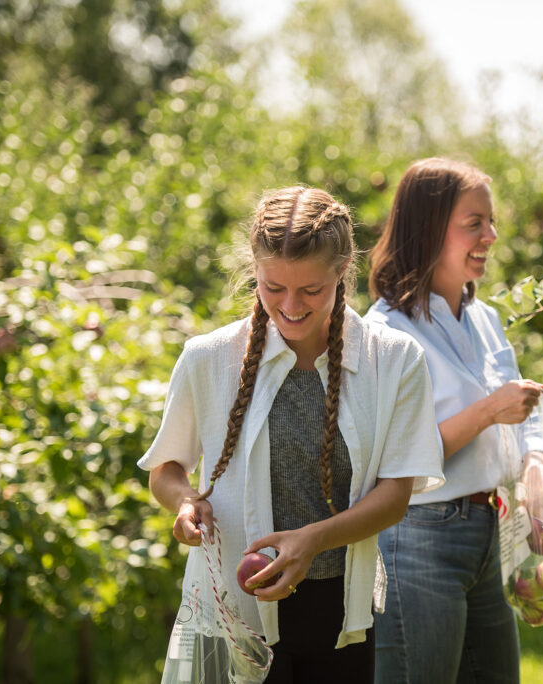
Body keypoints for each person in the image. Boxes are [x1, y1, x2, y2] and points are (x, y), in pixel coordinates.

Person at [140, 186, 445, 684]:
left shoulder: (392, 360)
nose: (290, 306)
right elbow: (167, 470)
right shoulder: (208, 358)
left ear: (343, 269)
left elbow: (395, 496)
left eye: (311, 290)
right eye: (273, 287)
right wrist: (184, 503)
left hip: (339, 614)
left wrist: (313, 542)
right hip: (232, 610)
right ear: (254, 272)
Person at [366, 158, 543, 684]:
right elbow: (392, 458)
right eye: (474, 223)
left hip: (487, 532)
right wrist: (488, 412)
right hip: (419, 537)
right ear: (427, 228)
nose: (491, 235)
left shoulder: (483, 319)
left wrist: (536, 464)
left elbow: (523, 408)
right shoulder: (384, 333)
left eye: (491, 222)